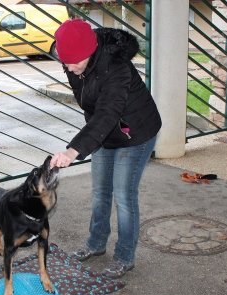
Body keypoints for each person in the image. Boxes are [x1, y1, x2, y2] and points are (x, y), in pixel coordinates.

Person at [50, 19, 161, 279]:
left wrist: (72, 151)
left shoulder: (116, 66)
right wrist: (89, 139)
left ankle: (124, 256)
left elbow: (108, 112)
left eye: (73, 62)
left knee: (123, 196)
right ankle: (96, 244)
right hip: (103, 133)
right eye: (64, 62)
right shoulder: (73, 57)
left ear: (89, 52)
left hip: (135, 132)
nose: (68, 68)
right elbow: (94, 108)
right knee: (100, 192)